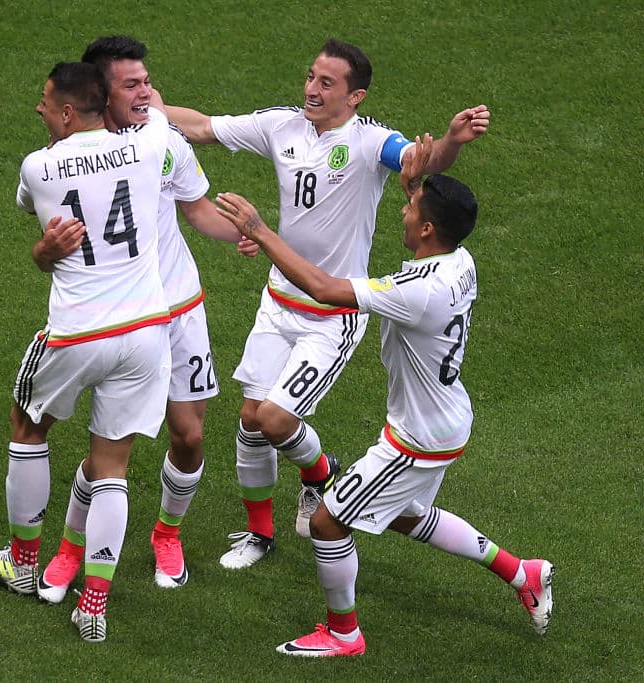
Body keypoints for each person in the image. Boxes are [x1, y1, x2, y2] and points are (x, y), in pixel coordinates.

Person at [213, 140, 554, 657]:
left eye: (411, 209)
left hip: (416, 438)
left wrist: (260, 232)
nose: (402, 208)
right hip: (446, 419)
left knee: (328, 522)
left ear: (427, 231)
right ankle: (521, 572)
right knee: (407, 515)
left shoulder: (420, 291)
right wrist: (416, 186)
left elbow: (325, 290)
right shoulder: (460, 260)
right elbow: (419, 241)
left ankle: (343, 634)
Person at [167, 38, 491, 569]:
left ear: (355, 96)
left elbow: (418, 161)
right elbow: (202, 126)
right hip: (278, 300)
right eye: (311, 77)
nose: (311, 89)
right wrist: (146, 111)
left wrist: (452, 142)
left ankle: (320, 474)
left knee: (273, 419)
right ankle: (260, 534)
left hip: (331, 317)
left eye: (326, 83)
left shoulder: (369, 143)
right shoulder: (281, 126)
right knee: (249, 420)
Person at [33, 36, 258, 602]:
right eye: (132, 84)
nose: (149, 92)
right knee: (111, 447)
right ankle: (69, 550)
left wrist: (249, 233)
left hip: (180, 309)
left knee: (188, 434)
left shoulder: (162, 139)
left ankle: (167, 533)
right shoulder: (83, 156)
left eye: (146, 80)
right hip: (128, 318)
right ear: (99, 93)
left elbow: (198, 208)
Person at [0, 60, 173, 643]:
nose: (38, 109)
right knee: (111, 468)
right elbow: (152, 109)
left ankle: (23, 563)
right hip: (145, 333)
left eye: (44, 101)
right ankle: (93, 603)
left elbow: (38, 220)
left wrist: (45, 246)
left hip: (77, 333)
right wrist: (142, 96)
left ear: (66, 110)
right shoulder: (150, 140)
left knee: (27, 424)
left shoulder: (38, 166)